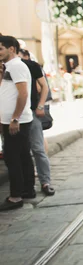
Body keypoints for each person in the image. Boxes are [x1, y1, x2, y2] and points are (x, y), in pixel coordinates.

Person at [0, 36, 35, 211]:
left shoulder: (17, 67)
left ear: (11, 49)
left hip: (16, 121)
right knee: (22, 156)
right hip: (12, 120)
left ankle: (15, 197)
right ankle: (28, 190)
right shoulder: (9, 67)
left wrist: (14, 118)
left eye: (0, 49)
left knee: (12, 158)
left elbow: (23, 94)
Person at [17, 49, 55, 196]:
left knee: (38, 149)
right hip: (10, 115)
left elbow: (42, 86)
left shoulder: (31, 66)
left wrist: (40, 106)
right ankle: (26, 186)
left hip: (31, 112)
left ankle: (45, 182)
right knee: (19, 152)